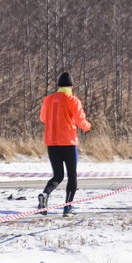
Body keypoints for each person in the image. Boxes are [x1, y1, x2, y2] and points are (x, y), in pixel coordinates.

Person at [37, 71, 92, 217]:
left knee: (58, 175)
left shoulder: (48, 100)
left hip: (51, 143)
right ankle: (67, 208)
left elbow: (43, 118)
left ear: (58, 86)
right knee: (72, 176)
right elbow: (81, 121)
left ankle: (45, 194)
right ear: (71, 86)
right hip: (68, 142)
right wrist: (88, 126)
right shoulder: (73, 100)